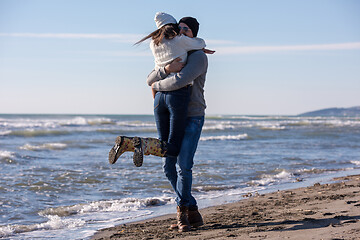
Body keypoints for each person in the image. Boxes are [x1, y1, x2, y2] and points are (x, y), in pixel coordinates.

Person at [147, 16, 212, 232]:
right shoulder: (176, 53)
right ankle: (191, 208)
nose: (182, 33)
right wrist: (165, 69)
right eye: (179, 29)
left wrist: (158, 83)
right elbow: (149, 76)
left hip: (192, 116)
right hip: (175, 114)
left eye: (186, 30)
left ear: (193, 34)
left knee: (184, 166)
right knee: (168, 166)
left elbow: (180, 80)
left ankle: (182, 212)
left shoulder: (198, 57)